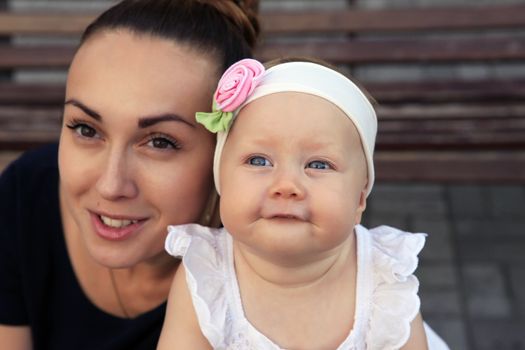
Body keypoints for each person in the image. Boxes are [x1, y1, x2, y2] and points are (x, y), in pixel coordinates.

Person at [0, 0, 260, 349]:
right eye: (87, 130)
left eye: (160, 142)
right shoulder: (27, 195)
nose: (111, 185)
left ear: (223, 153)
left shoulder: (263, 269)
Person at [159, 58, 451, 349]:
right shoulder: (207, 276)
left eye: (319, 165)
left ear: (360, 197)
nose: (287, 186)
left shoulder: (383, 281)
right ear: (221, 179)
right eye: (258, 161)